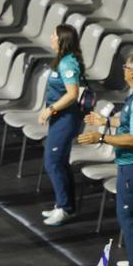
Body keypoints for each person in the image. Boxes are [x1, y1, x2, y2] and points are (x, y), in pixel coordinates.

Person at [78, 51, 133, 266]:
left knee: (128, 213)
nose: (123, 69)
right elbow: (127, 123)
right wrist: (106, 122)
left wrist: (101, 138)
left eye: (126, 66)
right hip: (130, 162)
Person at [36, 25, 86, 226]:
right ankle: (65, 206)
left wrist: (51, 109)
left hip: (65, 119)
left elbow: (72, 94)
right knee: (60, 163)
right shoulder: (62, 61)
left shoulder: (68, 64)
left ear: (62, 40)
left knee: (53, 162)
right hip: (60, 118)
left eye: (54, 35)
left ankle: (64, 207)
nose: (51, 38)